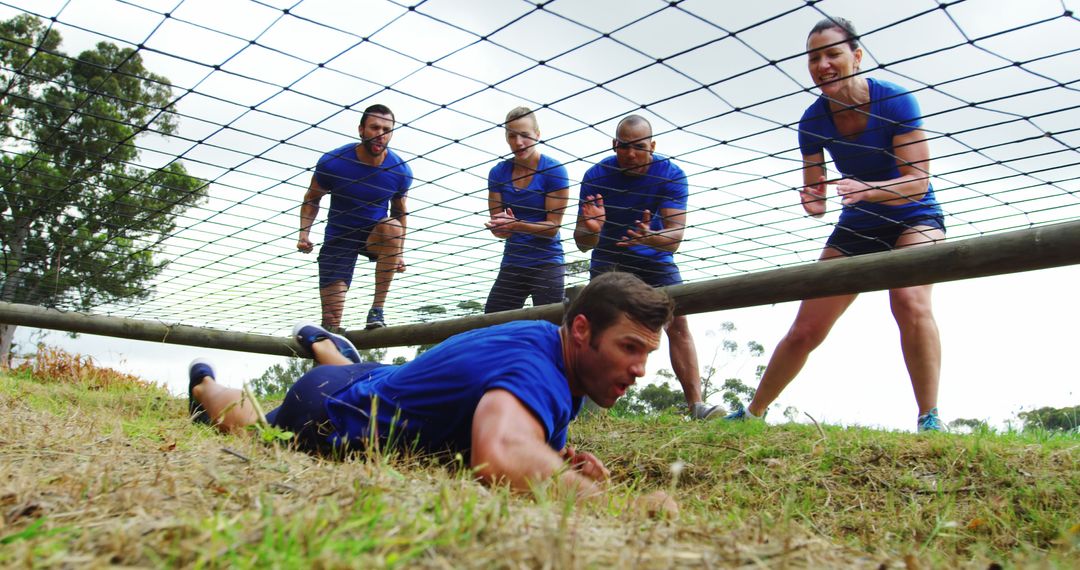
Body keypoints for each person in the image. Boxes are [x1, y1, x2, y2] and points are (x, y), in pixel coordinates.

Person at [187, 271, 677, 514]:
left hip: (379, 379)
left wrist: (558, 462)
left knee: (366, 373)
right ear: (582, 330)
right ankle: (205, 382)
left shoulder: (550, 344)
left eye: (647, 353)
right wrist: (618, 504)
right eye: (629, 347)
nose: (639, 370)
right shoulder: (536, 370)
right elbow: (499, 456)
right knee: (255, 427)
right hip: (327, 408)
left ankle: (325, 345)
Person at [728, 17, 946, 432]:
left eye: (832, 54)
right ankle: (753, 414)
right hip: (859, 223)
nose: (823, 65)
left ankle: (929, 417)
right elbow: (818, 199)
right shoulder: (812, 121)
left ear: (857, 56)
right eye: (814, 58)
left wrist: (868, 189)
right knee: (806, 326)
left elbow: (917, 182)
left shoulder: (896, 101)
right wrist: (812, 201)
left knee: (908, 299)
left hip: (915, 216)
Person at [573, 115, 719, 420]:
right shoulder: (595, 175)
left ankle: (696, 406)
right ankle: (586, 410)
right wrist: (592, 229)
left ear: (652, 146)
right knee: (598, 327)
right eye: (623, 146)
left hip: (655, 259)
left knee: (678, 323)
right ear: (614, 144)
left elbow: (675, 238)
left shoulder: (670, 174)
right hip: (609, 259)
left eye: (639, 147)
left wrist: (651, 238)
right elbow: (582, 242)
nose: (630, 154)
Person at [297, 104, 413, 331]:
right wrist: (304, 234)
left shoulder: (400, 170)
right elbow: (312, 199)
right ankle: (332, 340)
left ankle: (377, 310)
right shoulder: (334, 161)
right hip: (340, 235)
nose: (380, 134)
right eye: (375, 127)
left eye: (386, 130)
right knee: (331, 319)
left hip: (374, 234)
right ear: (361, 130)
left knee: (392, 226)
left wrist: (399, 252)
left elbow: (400, 212)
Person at [483, 107, 570, 313]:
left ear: (537, 135)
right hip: (513, 261)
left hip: (547, 261)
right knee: (491, 321)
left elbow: (553, 228)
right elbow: (499, 227)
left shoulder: (554, 170)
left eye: (525, 135)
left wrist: (516, 225)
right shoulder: (497, 173)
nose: (519, 142)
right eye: (512, 136)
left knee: (549, 321)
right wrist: (500, 228)